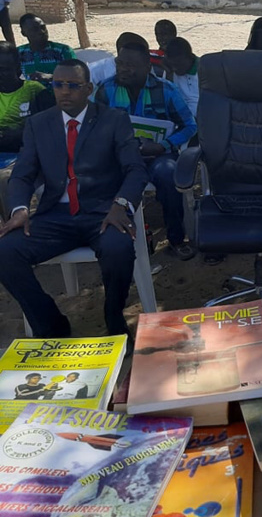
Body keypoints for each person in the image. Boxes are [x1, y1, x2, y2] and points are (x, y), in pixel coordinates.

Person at [0, 58, 149, 338]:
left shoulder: (113, 120)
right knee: (5, 251)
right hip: (55, 216)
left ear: (88, 89)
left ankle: (114, 320)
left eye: (73, 85)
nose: (64, 91)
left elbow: (136, 169)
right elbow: (22, 175)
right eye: (58, 85)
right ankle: (51, 325)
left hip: (103, 213)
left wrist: (121, 204)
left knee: (118, 248)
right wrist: (19, 208)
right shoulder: (38, 124)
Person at [94, 41, 197, 261]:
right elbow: (93, 126)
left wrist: (164, 145)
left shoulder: (166, 90)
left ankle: (176, 239)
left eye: (130, 65)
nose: (123, 69)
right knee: (99, 177)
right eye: (119, 63)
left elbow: (189, 126)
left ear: (147, 67)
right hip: (119, 157)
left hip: (158, 155)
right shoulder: (106, 89)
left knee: (168, 173)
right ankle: (112, 240)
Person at [0, 43, 45, 218]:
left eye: (4, 69)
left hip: (24, 156)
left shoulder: (35, 91)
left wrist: (18, 135)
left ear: (18, 68)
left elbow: (48, 130)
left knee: (5, 179)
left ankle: (14, 226)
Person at [17, 14, 76, 85]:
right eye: (35, 29)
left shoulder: (63, 51)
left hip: (59, 91)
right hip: (31, 91)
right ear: (24, 33)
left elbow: (76, 76)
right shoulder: (19, 53)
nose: (41, 32)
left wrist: (51, 77)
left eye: (43, 27)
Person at [163, 37, 199, 117]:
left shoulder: (203, 71)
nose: (174, 69)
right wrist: (169, 74)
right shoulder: (170, 71)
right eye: (172, 65)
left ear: (190, 58)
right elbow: (168, 100)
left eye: (178, 65)